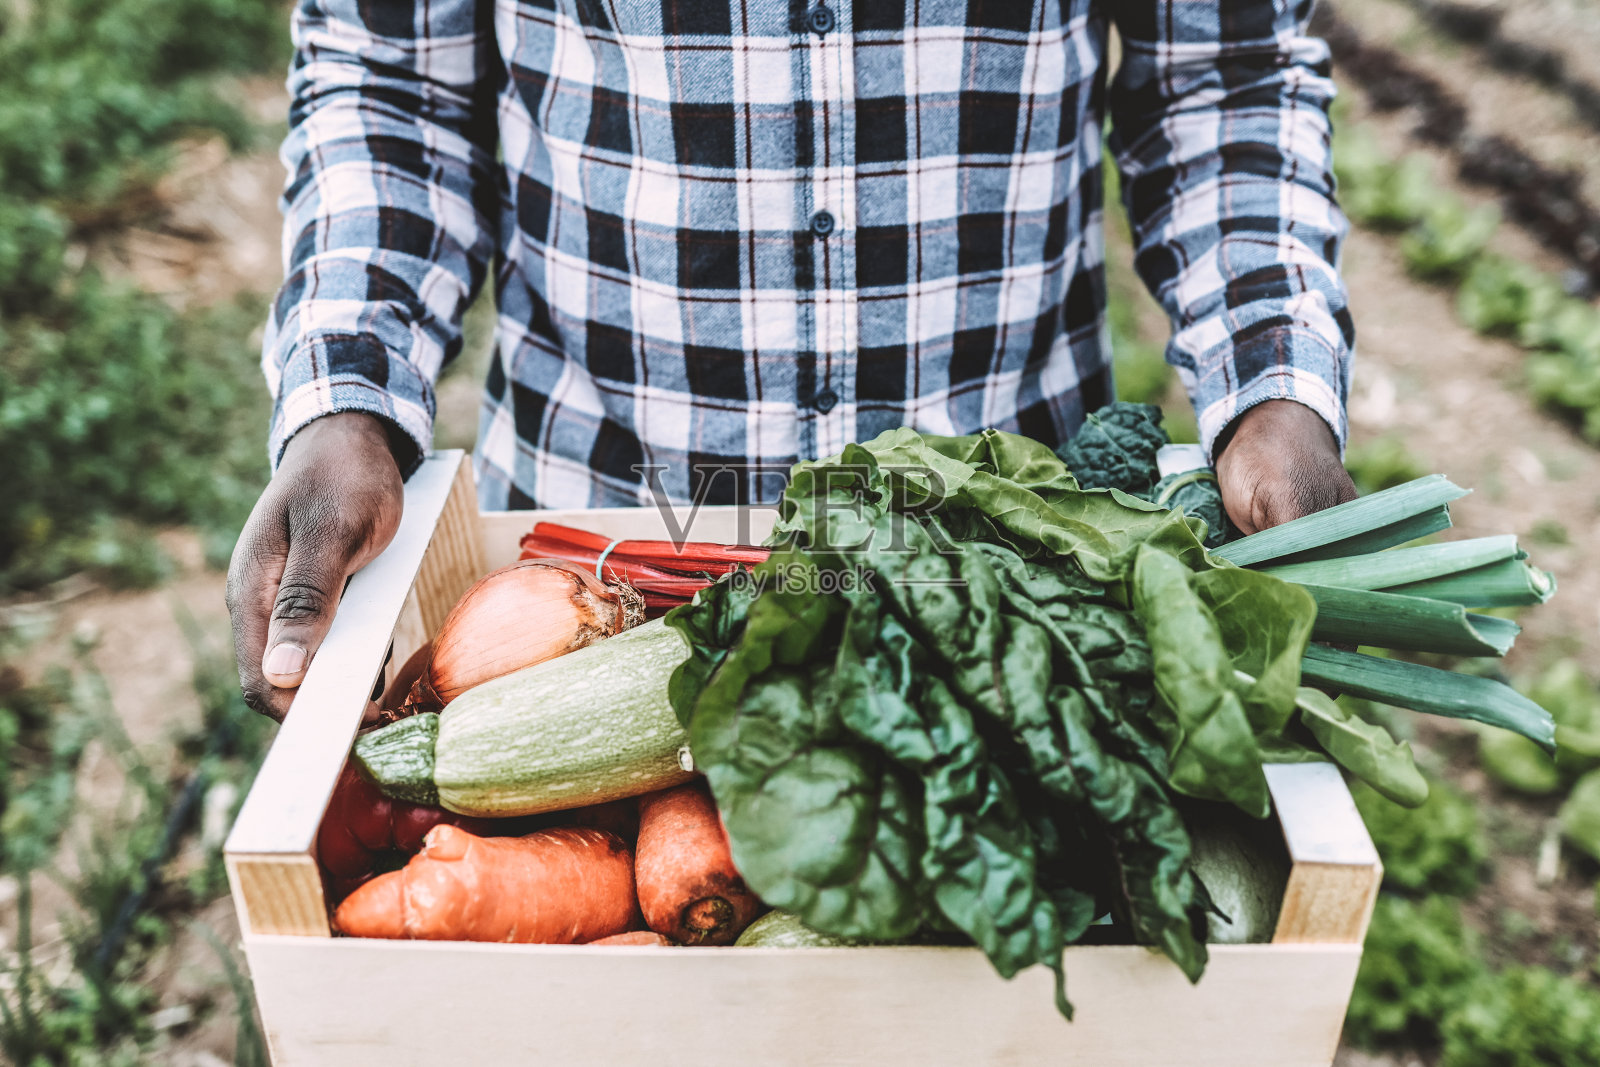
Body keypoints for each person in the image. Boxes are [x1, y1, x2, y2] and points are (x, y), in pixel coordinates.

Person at [228, 0, 1358, 719]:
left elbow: (1226, 77)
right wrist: (350, 397)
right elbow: (397, 87)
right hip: (602, 559)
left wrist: (1273, 385)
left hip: (1016, 574)